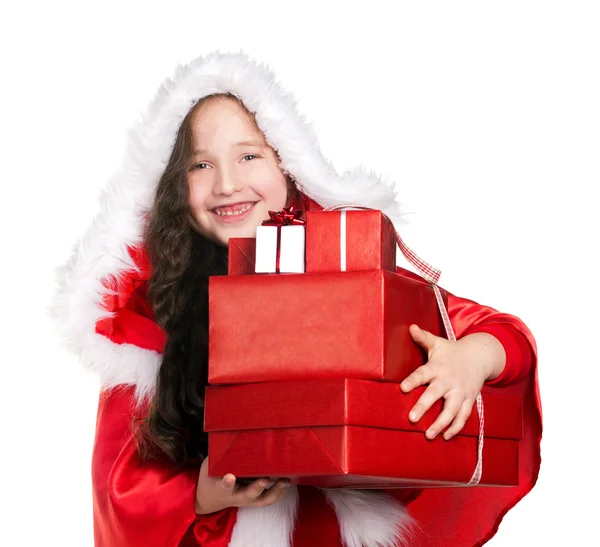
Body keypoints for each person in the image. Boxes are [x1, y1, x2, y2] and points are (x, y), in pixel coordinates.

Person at [53, 52, 542, 547]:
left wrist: (472, 358)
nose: (227, 184)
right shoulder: (152, 314)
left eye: (249, 156)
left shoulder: (343, 262)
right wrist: (202, 495)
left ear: (288, 165)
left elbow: (497, 332)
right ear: (175, 187)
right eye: (200, 164)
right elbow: (119, 495)